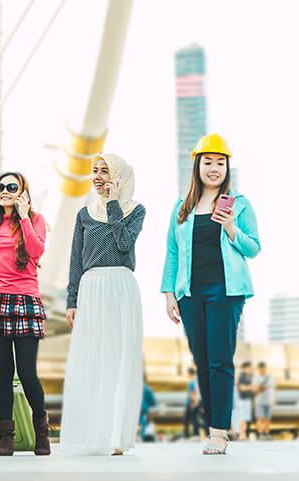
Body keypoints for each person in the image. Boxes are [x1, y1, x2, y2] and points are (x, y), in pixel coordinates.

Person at [161, 134, 261, 455]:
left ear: (227, 167)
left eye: (220, 162)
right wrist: (169, 293)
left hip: (226, 291)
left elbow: (254, 247)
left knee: (220, 360)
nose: (214, 168)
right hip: (190, 293)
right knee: (202, 361)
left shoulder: (240, 204)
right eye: (208, 162)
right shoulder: (182, 207)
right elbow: (172, 253)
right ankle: (212, 428)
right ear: (197, 166)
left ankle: (219, 432)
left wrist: (232, 228)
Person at [61, 153, 146, 456]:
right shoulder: (84, 213)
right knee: (93, 360)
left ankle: (116, 438)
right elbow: (75, 259)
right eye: (95, 170)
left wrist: (113, 204)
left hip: (121, 288)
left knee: (120, 360)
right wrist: (71, 301)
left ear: (119, 177)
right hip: (91, 288)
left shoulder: (135, 210)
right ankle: (93, 435)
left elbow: (123, 244)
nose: (97, 176)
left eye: (105, 171)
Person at [0, 172, 50, 456]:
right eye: (0, 186)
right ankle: (6, 437)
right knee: (2, 374)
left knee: (27, 374)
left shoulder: (36, 220)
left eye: (11, 187)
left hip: (26, 301)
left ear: (22, 192)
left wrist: (23, 216)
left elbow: (35, 252)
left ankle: (41, 431)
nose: (4, 191)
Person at [254, 361, 276, 439]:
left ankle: (266, 433)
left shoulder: (270, 377)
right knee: (260, 417)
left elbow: (272, 388)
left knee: (267, 418)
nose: (262, 370)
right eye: (260, 369)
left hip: (269, 400)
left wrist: (274, 399)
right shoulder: (256, 377)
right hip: (259, 401)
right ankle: (260, 434)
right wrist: (262, 387)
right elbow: (254, 389)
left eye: (263, 368)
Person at [184, 367, 202, 438]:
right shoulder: (196, 381)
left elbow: (192, 394)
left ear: (190, 373)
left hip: (190, 403)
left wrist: (194, 403)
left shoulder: (192, 382)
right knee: (194, 419)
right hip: (195, 402)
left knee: (188, 419)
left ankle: (189, 434)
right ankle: (195, 434)